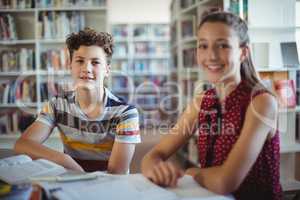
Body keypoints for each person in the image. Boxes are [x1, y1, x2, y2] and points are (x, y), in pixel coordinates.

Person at [141, 11, 282, 200]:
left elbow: (224, 182)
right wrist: (154, 167)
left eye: (223, 45)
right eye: (203, 46)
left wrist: (192, 172)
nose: (211, 56)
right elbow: (154, 154)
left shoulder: (261, 102)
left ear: (243, 52)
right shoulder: (202, 101)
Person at [14, 28, 141, 173]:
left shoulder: (126, 113)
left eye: (95, 62)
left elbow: (116, 174)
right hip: (71, 184)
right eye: (80, 61)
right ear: (70, 66)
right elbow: (22, 145)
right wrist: (63, 160)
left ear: (107, 70)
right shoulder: (57, 105)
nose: (86, 68)